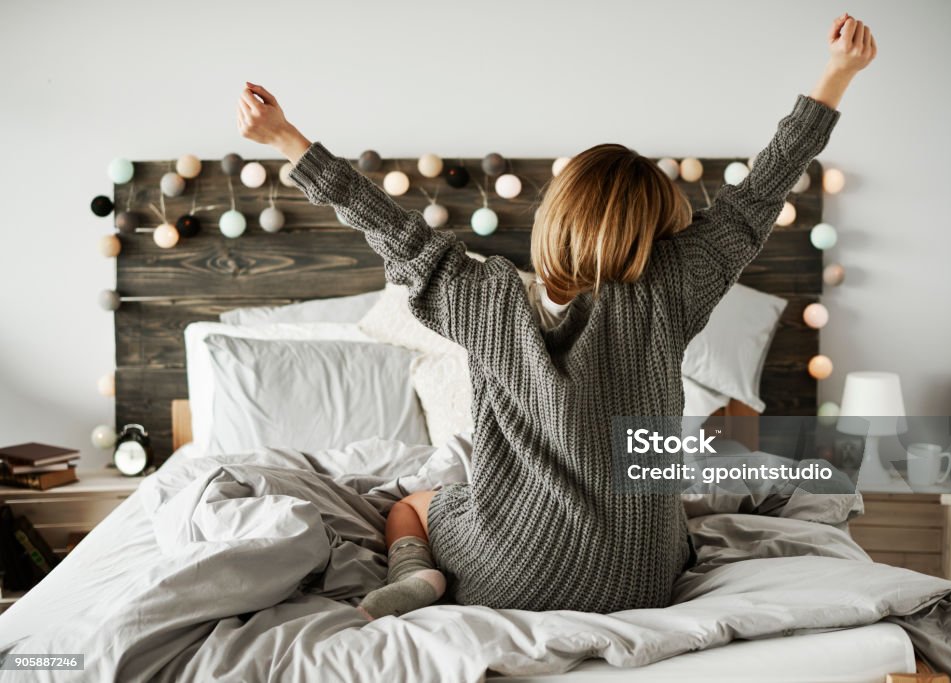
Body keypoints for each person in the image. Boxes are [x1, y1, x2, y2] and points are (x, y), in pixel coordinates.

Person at [237, 13, 876, 619]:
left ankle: (414, 575)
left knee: (412, 504)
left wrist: (287, 139)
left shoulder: (481, 297)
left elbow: (389, 227)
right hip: (641, 576)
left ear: (555, 217)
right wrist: (836, 73)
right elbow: (755, 198)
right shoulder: (669, 293)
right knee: (669, 516)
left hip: (506, 568)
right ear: (658, 234)